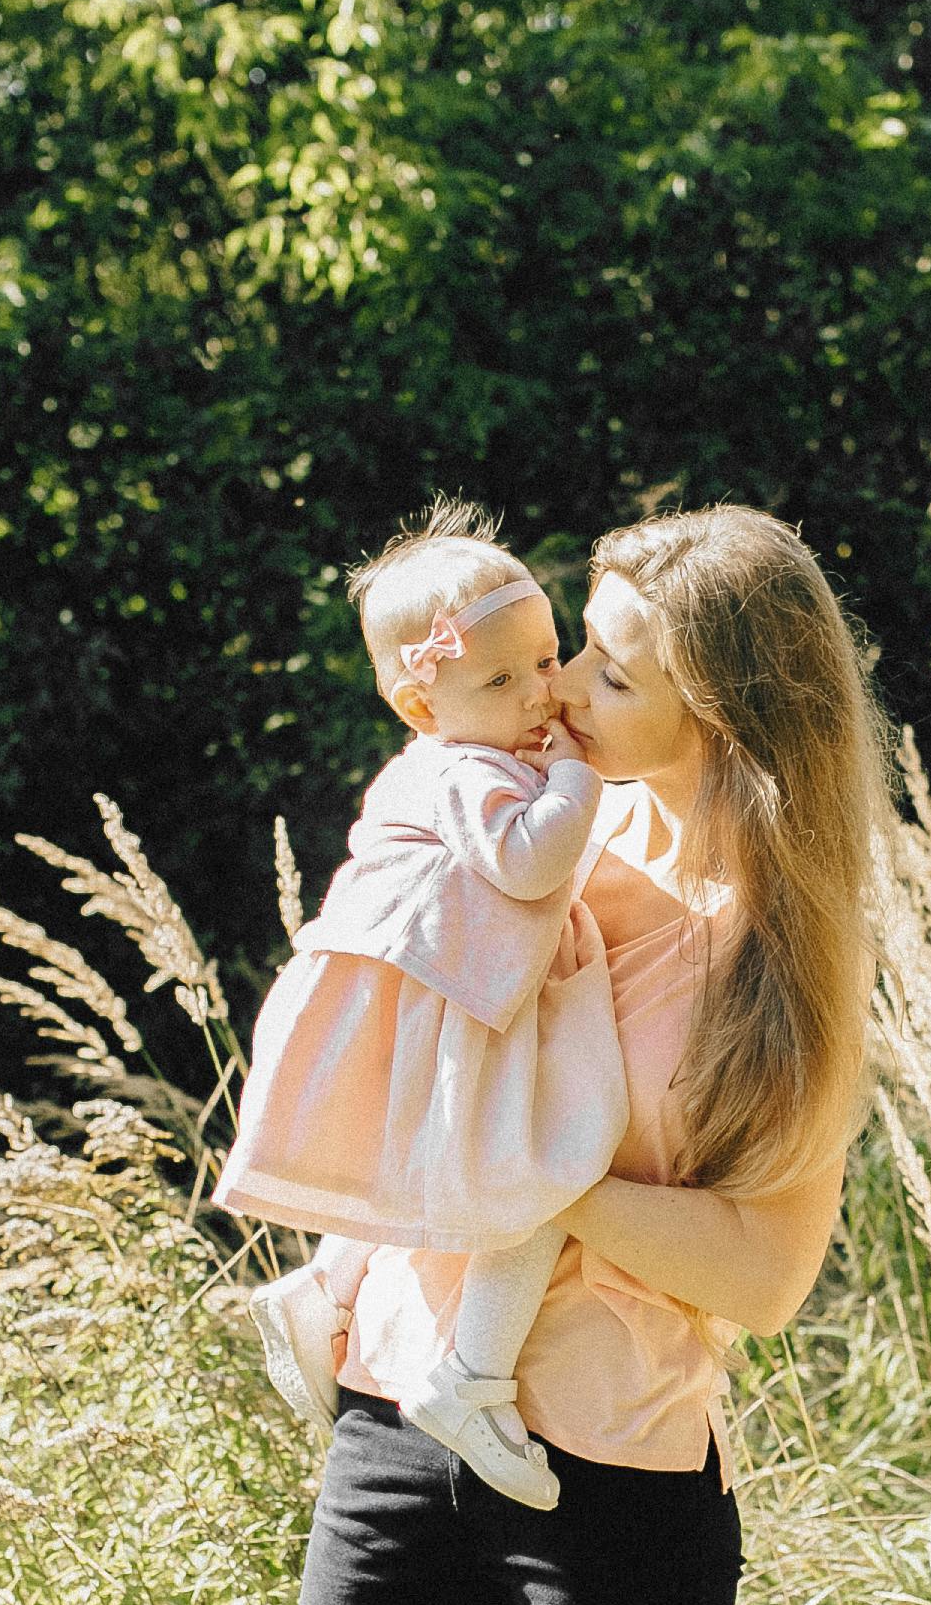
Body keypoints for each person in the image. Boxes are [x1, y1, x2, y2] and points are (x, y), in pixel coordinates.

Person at [253, 503, 881, 1605]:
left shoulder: (786, 951)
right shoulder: (513, 828)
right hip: (398, 1419)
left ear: (722, 704)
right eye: (576, 649)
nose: (576, 688)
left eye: (616, 664)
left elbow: (759, 1277)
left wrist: (523, 1185)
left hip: (616, 1473)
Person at [216, 503, 628, 1508]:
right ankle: (471, 1380)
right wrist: (577, 777)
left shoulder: (478, 754)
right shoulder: (462, 769)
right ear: (421, 706)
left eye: (544, 659)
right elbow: (529, 868)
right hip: (461, 1005)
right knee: (531, 1176)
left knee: (437, 1166)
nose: (541, 693)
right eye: (500, 680)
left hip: (462, 997)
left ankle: (324, 1288)